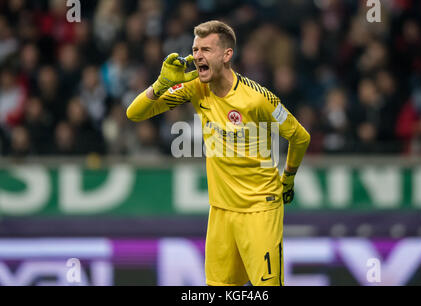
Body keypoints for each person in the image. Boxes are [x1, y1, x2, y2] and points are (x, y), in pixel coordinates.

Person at [127, 20, 310, 286]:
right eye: (195, 49)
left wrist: (289, 177)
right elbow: (134, 113)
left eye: (206, 50)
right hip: (221, 212)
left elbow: (300, 136)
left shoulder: (256, 98)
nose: (197, 56)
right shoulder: (195, 88)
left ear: (227, 55)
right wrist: (160, 84)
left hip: (259, 209)